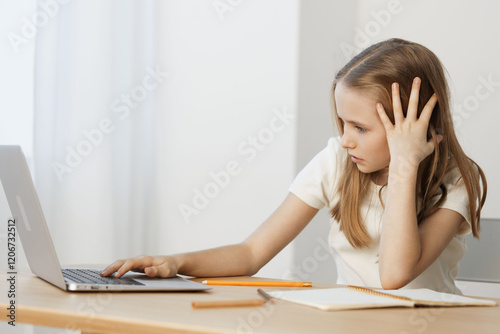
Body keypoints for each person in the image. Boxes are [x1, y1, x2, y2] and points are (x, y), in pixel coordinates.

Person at [101, 38, 487, 294]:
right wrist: (176, 262)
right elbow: (252, 253)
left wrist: (405, 163)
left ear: (414, 124)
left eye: (360, 127)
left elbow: (395, 276)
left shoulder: (454, 180)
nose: (346, 138)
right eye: (342, 123)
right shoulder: (338, 161)